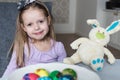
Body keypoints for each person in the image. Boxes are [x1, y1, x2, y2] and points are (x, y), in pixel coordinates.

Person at [3, 0, 67, 77]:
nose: (36, 27)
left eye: (40, 21)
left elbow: (63, 70)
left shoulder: (58, 47)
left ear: (48, 20)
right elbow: (11, 68)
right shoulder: (23, 45)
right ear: (24, 27)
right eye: (30, 24)